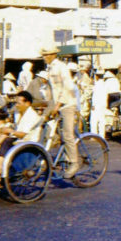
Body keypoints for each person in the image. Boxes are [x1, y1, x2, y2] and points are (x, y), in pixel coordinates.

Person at [41, 46, 79, 178]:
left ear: (52, 55)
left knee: (68, 134)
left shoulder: (61, 66)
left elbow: (68, 86)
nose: (44, 57)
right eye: (43, 55)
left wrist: (58, 105)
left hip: (67, 104)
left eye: (46, 55)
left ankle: (74, 162)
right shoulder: (49, 68)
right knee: (51, 133)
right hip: (57, 104)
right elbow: (51, 89)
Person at [0, 91, 42, 185]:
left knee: (6, 140)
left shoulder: (32, 116)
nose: (16, 105)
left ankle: (0, 167)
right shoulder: (18, 112)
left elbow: (22, 134)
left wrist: (10, 131)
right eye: (16, 103)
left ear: (27, 103)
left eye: (18, 103)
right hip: (17, 138)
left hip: (27, 141)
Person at [90, 69, 108, 138]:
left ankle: (93, 135)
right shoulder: (105, 84)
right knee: (102, 121)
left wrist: (93, 105)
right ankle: (102, 135)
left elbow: (95, 96)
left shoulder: (97, 85)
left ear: (97, 76)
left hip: (97, 104)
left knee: (94, 120)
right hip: (103, 104)